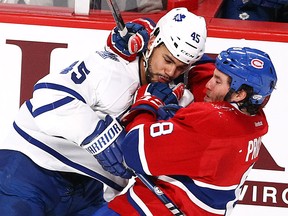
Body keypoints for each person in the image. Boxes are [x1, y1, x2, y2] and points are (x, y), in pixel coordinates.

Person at [0, 7, 207, 215]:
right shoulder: (110, 67)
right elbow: (48, 97)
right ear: (152, 43)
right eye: (168, 60)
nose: (171, 72)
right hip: (32, 166)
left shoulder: (176, 99)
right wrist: (96, 134)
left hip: (93, 191)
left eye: (182, 67)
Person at [93, 47, 278, 215]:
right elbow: (202, 69)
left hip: (151, 209)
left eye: (217, 80)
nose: (209, 85)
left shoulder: (214, 124)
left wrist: (147, 103)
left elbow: (133, 150)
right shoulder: (255, 119)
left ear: (239, 94)